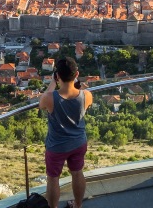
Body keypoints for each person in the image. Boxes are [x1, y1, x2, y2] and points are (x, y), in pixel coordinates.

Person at [39, 57, 93, 208]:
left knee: (53, 178)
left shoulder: (50, 98)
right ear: (77, 74)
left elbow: (42, 103)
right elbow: (80, 101)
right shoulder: (87, 95)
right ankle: (78, 204)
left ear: (57, 76)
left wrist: (52, 84)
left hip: (57, 146)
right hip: (78, 142)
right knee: (77, 173)